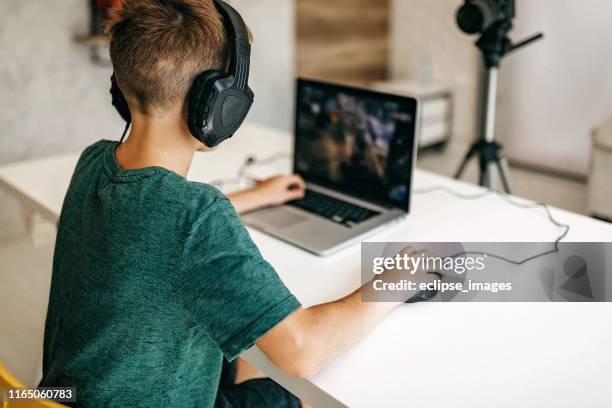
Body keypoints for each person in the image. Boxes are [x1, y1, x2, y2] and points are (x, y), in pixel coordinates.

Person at [39, 1, 441, 407]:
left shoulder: (94, 161)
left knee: (236, 353)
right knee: (291, 391)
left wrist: (253, 197)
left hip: (71, 395)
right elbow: (303, 350)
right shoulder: (196, 215)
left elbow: (152, 227)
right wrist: (396, 282)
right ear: (216, 104)